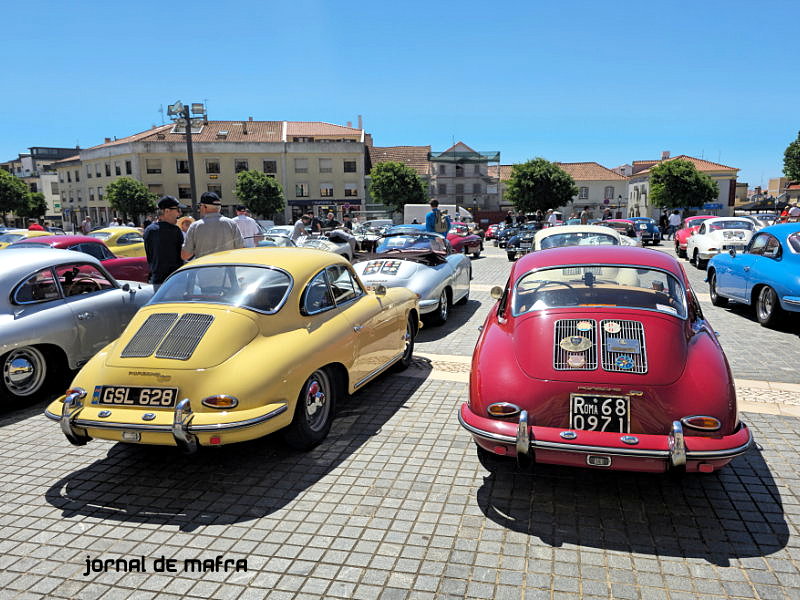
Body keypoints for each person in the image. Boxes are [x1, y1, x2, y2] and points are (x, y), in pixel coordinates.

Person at [181, 192, 244, 260]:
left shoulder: (195, 226)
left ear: (204, 206)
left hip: (204, 268)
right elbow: (240, 249)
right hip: (227, 268)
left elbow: (185, 255)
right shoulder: (231, 224)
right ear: (219, 208)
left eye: (200, 206)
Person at [144, 196, 185, 285]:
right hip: (174, 281)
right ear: (166, 211)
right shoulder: (174, 231)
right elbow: (183, 256)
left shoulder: (149, 230)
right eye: (178, 210)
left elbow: (150, 257)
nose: (179, 214)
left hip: (156, 281)